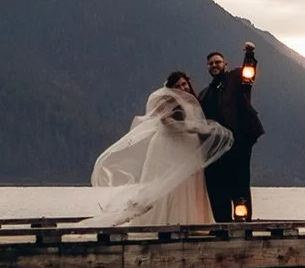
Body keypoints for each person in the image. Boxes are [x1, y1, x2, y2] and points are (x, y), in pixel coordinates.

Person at [90, 71, 233, 226]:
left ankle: (193, 222)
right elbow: (166, 123)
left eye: (184, 84)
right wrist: (191, 128)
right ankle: (170, 222)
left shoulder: (193, 102)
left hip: (189, 148)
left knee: (189, 185)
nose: (182, 87)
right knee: (172, 185)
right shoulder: (166, 102)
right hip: (172, 148)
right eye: (178, 85)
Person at [199, 43, 265, 221]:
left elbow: (248, 74)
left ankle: (242, 223)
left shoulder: (236, 79)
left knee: (240, 182)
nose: (214, 65)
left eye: (217, 62)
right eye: (211, 63)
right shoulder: (205, 94)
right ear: (207, 67)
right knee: (216, 184)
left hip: (239, 141)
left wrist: (250, 54)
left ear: (225, 64)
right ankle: (222, 225)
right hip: (215, 148)